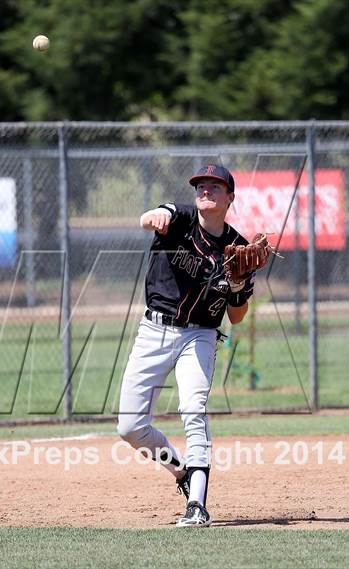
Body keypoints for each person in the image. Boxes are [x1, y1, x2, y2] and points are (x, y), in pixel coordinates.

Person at [117, 164, 254, 527]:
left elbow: (237, 317)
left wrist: (238, 287)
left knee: (192, 408)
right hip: (154, 330)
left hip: (200, 335)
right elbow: (152, 217)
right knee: (129, 427)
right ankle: (181, 472)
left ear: (229, 198)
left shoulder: (239, 250)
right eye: (201, 184)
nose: (205, 190)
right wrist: (155, 217)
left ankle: (197, 504)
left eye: (214, 185)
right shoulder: (180, 219)